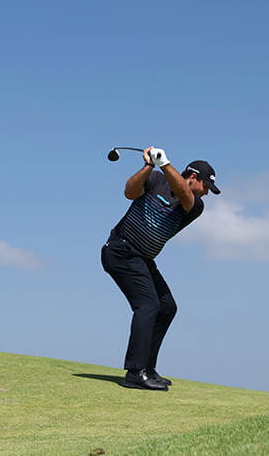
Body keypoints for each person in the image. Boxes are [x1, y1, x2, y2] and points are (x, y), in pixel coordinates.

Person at [101, 146, 220, 391]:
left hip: (142, 258)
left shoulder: (195, 205)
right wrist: (149, 166)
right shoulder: (155, 179)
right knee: (148, 305)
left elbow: (185, 195)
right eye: (206, 187)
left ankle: (147, 367)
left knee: (166, 307)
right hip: (120, 250)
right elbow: (129, 192)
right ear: (193, 177)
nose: (206, 193)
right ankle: (135, 372)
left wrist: (165, 162)